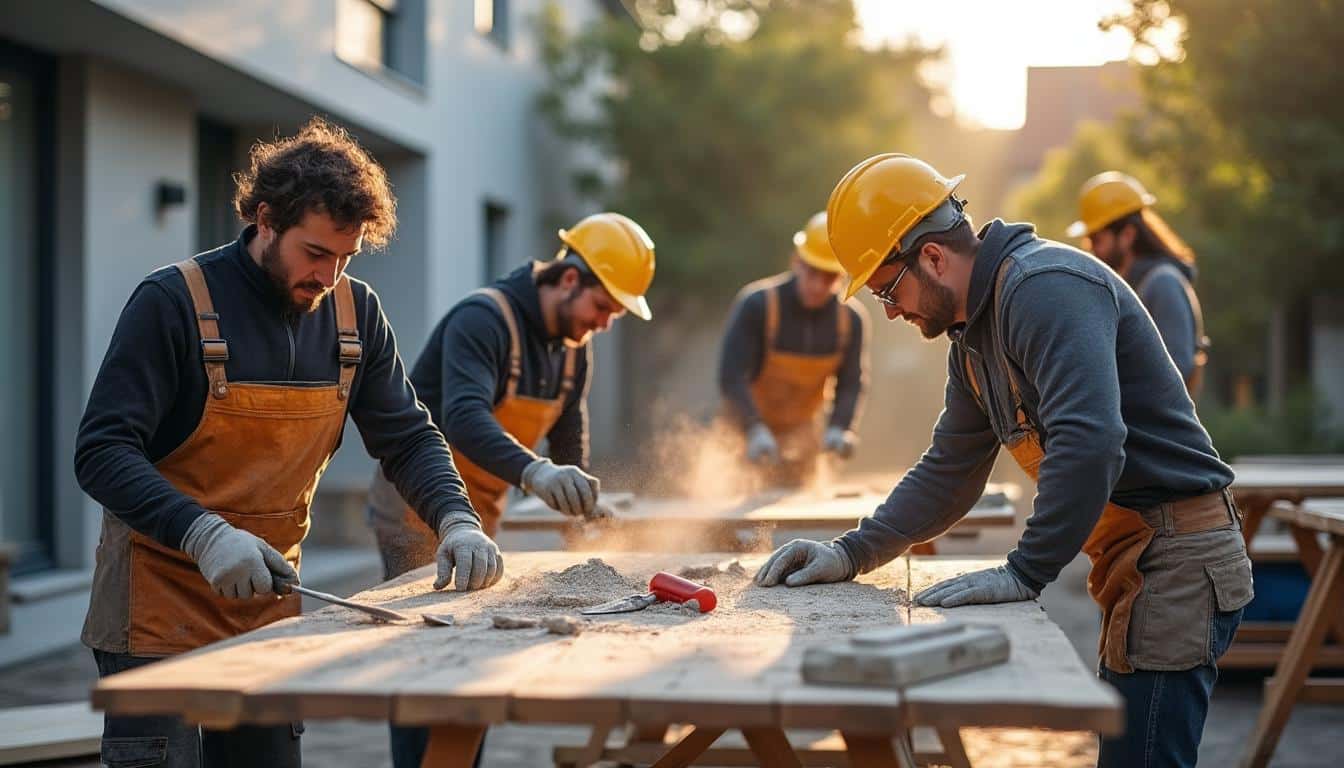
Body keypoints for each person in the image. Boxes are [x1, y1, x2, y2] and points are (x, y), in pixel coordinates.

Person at [756, 153, 1253, 767]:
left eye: (888, 288)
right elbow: (949, 468)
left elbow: (1091, 442)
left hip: (1178, 554)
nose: (887, 310)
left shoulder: (1044, 289)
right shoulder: (972, 336)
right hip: (1138, 554)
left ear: (933, 257)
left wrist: (1023, 572)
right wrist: (851, 552)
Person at [75, 118, 501, 768]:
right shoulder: (172, 302)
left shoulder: (358, 316)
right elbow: (101, 451)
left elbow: (409, 438)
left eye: (345, 257)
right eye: (315, 253)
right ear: (266, 220)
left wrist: (457, 520)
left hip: (263, 605)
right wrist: (204, 535)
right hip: (154, 608)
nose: (329, 276)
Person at [366, 212, 655, 767]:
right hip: (415, 510)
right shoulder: (484, 320)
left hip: (484, 517)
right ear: (570, 280)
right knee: (418, 658)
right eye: (604, 307)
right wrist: (537, 475)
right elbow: (465, 417)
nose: (606, 322)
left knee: (472, 656)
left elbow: (569, 443)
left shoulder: (573, 346)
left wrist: (589, 521)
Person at [717, 212, 869, 485]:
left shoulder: (851, 321)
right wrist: (753, 428)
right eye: (813, 272)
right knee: (735, 509)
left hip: (804, 438)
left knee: (800, 513)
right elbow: (731, 376)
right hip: (745, 436)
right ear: (797, 262)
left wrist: (839, 427)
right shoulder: (758, 306)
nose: (819, 286)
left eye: (829, 278)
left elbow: (850, 382)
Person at [1068, 171, 1209, 395]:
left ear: (1127, 234)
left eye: (1097, 240)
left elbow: (1175, 373)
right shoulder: (1131, 287)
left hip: (1159, 430)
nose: (1092, 250)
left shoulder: (1163, 284)